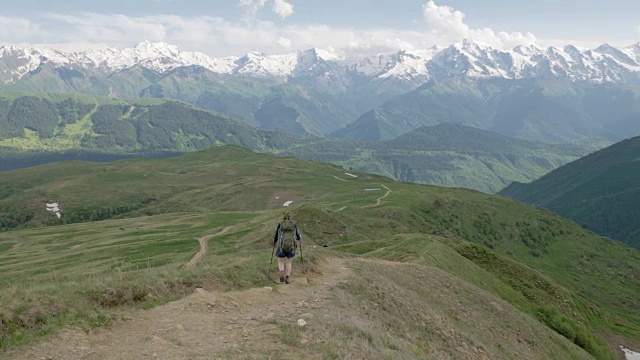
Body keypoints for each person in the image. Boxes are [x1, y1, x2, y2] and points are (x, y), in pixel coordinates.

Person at [273, 211, 302, 284]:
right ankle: (287, 278)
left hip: (281, 245)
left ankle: (281, 272)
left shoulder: (280, 224)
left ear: (283, 217)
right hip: (291, 246)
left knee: (280, 260)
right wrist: (299, 238)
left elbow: (276, 234)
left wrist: (275, 241)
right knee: (288, 261)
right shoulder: (293, 224)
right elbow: (297, 235)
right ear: (290, 217)